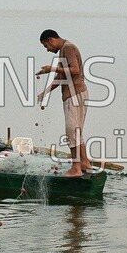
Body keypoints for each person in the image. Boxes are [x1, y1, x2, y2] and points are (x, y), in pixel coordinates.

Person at [37, 28, 93, 177]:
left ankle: (76, 168)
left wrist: (51, 69)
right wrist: (46, 92)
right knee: (77, 130)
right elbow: (61, 76)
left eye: (46, 46)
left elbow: (74, 70)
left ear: (51, 40)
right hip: (78, 93)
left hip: (74, 95)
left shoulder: (68, 48)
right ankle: (85, 163)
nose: (48, 50)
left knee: (72, 130)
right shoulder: (64, 49)